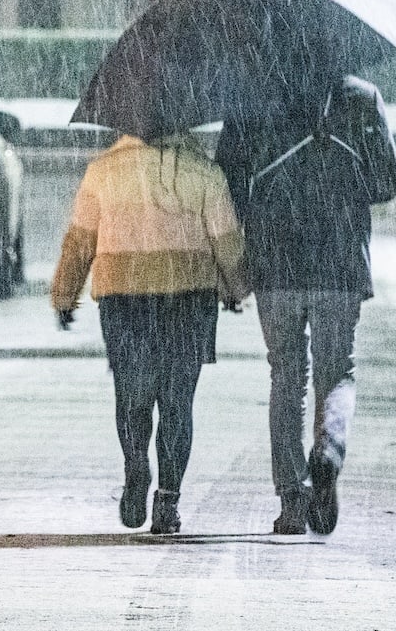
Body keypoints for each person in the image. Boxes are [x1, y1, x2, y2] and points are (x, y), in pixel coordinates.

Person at [217, 74, 396, 536]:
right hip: (339, 265)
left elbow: (228, 187)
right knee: (336, 373)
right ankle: (329, 451)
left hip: (276, 263)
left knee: (286, 377)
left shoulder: (251, 97)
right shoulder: (361, 97)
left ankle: (292, 500)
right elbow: (386, 184)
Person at [51, 131, 248, 535]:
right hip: (189, 296)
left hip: (124, 296)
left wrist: (65, 293)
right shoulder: (204, 172)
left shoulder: (102, 171)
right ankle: (168, 501)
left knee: (132, 393)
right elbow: (225, 239)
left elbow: (80, 240)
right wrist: (235, 287)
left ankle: (135, 464)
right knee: (178, 403)